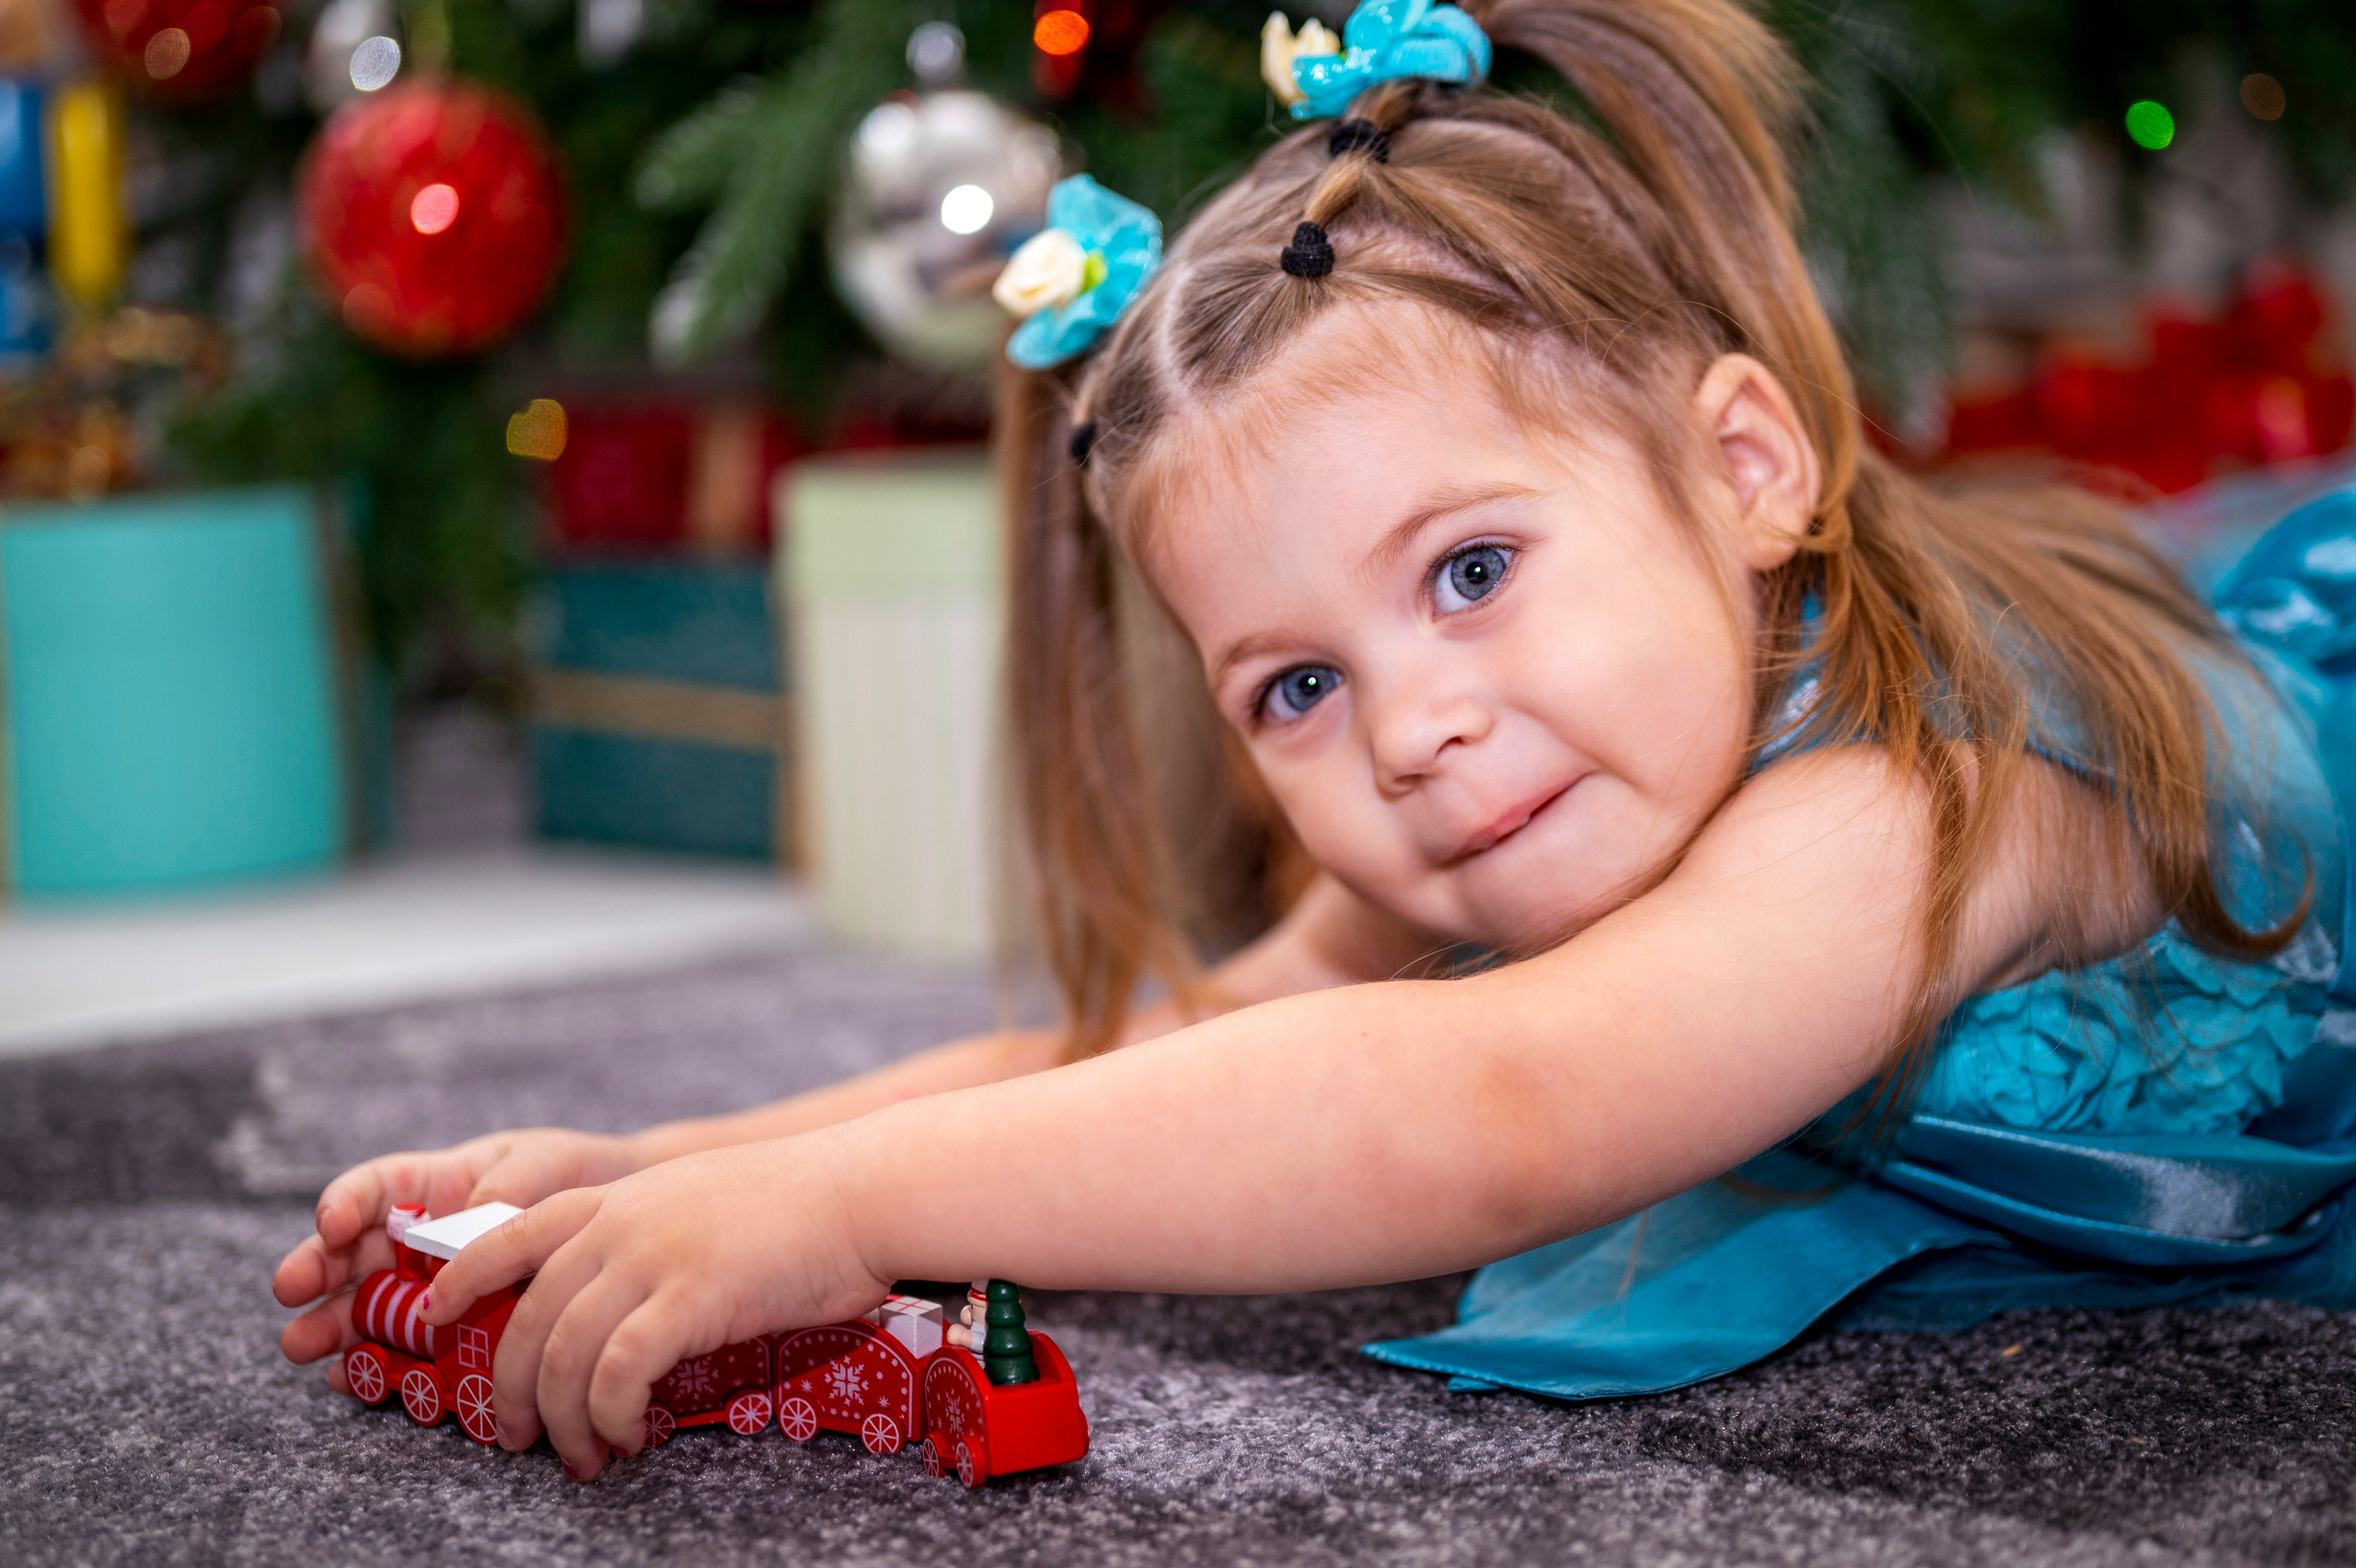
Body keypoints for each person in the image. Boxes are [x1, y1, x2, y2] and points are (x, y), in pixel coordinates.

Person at [273, 0, 2356, 1480]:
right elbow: (1194, 1043)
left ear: (1740, 471)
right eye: (1292, 686)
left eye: (1466, 571)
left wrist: (846, 1221)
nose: (1415, 731)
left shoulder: (1923, 809)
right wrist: (684, 1169)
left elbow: (1499, 1100)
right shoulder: (1516, 774)